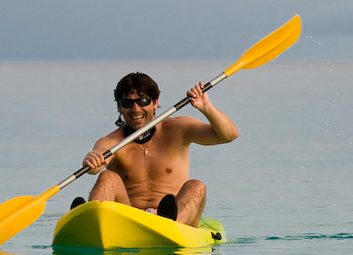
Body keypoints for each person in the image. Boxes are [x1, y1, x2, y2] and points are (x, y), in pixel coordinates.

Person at [77, 72, 238, 226]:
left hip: (174, 220)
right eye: (127, 103)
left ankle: (169, 225)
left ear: (155, 103)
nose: (135, 109)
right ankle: (91, 221)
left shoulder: (178, 128)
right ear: (119, 107)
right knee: (107, 177)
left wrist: (206, 107)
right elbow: (97, 161)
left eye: (143, 101)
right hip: (130, 219)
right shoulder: (111, 141)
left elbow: (229, 135)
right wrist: (93, 160)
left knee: (197, 186)